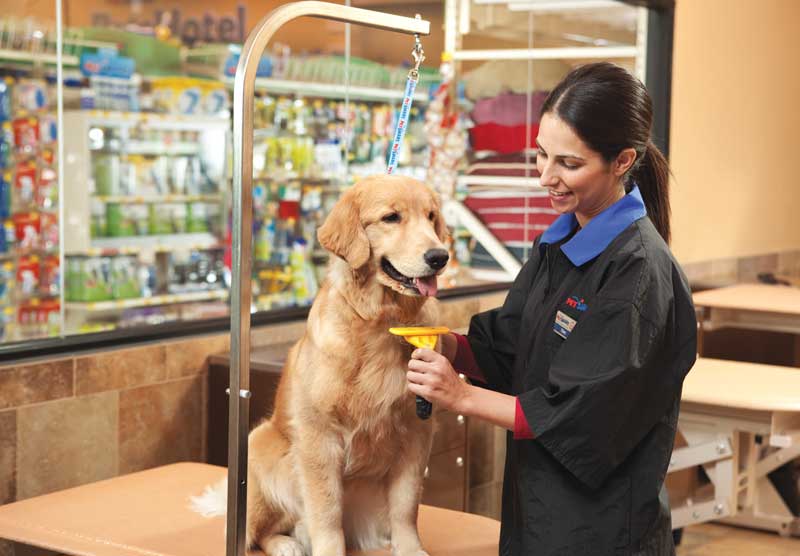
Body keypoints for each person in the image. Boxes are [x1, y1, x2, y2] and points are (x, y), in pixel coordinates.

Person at [406, 62, 698, 555]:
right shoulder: (559, 240)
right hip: (537, 513)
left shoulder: (638, 272)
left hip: (601, 530)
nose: (545, 177)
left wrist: (459, 397)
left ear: (623, 160)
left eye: (568, 164)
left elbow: (580, 415)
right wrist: (445, 344)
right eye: (540, 155)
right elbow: (510, 344)